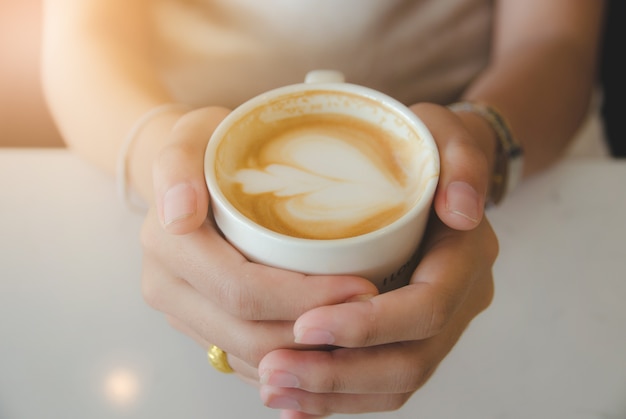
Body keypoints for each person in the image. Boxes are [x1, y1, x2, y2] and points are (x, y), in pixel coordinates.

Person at [41, 1, 605, 418]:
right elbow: (82, 38)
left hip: (513, 181)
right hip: (186, 148)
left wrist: (478, 146)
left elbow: (557, 41)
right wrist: (166, 167)